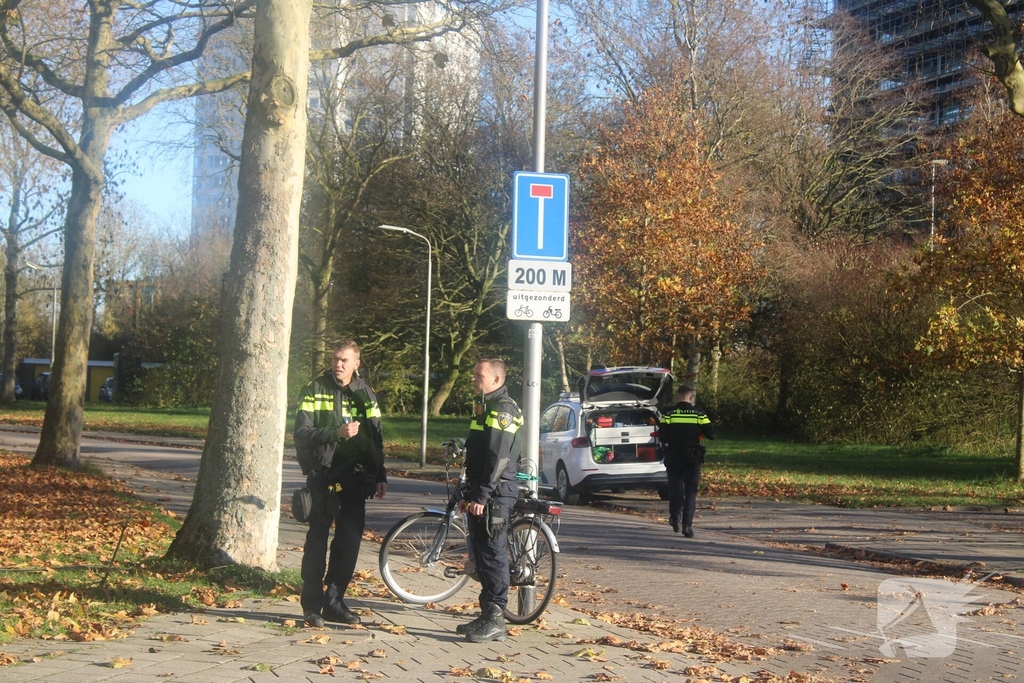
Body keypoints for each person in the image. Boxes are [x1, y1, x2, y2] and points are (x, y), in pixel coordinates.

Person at [294, 339, 387, 627]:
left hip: (355, 477)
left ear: (356, 363)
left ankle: (335, 602)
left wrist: (380, 473)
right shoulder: (315, 388)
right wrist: (335, 432)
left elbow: (376, 436)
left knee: (349, 543)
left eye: (345, 360)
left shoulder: (365, 392)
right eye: (335, 358)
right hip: (324, 475)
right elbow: (301, 433)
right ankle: (311, 606)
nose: (338, 364)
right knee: (316, 542)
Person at [455, 358, 522, 643]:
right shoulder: (486, 407)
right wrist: (469, 493)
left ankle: (496, 618)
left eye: (478, 375)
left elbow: (498, 458)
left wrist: (482, 494)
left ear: (495, 379)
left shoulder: (503, 410)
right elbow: (478, 455)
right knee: (482, 553)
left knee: (493, 553)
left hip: (496, 492)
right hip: (483, 490)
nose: (473, 378)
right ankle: (486, 615)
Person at [658, 385, 715, 537]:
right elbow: (712, 435)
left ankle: (675, 518)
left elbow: (662, 437)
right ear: (691, 398)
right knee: (691, 492)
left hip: (674, 457)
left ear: (678, 397)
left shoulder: (668, 414)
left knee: (676, 490)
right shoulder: (699, 414)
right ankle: (687, 526)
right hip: (692, 457)